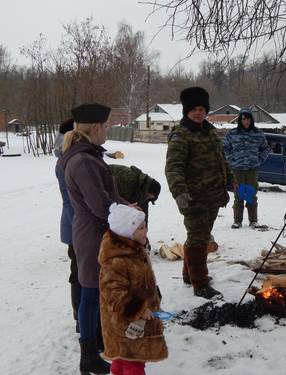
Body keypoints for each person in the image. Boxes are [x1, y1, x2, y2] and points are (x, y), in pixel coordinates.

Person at [61, 103, 128, 374]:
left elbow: (108, 196)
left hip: (95, 232)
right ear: (97, 127)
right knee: (89, 293)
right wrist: (126, 215)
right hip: (92, 236)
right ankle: (88, 356)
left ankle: (96, 345)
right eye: (107, 125)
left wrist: (127, 205)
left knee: (94, 291)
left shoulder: (88, 155)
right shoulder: (83, 160)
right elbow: (100, 205)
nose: (108, 130)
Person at [165, 86, 234, 300]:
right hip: (193, 198)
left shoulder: (209, 131)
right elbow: (173, 167)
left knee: (199, 237)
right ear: (186, 110)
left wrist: (230, 180)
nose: (198, 113)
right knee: (198, 239)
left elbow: (221, 159)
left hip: (213, 196)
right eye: (194, 109)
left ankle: (189, 275)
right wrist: (180, 193)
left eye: (202, 109)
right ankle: (200, 283)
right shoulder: (181, 135)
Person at [99, 203, 168, 375]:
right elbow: (113, 293)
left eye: (145, 227)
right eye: (141, 228)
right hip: (124, 321)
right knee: (134, 363)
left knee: (123, 358)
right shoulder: (116, 261)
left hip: (133, 321)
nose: (146, 231)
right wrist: (139, 308)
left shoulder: (134, 250)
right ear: (127, 232)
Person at [223, 107, 270, 228]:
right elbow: (225, 148)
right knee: (238, 195)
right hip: (237, 169)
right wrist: (231, 160)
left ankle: (253, 220)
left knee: (251, 195)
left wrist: (259, 160)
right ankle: (237, 221)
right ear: (240, 120)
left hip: (252, 169)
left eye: (248, 119)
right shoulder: (232, 134)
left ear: (251, 120)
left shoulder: (258, 134)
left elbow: (266, 149)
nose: (246, 122)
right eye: (243, 119)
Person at [55, 118, 81, 332]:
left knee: (79, 271)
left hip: (74, 225)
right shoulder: (68, 161)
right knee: (79, 273)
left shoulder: (68, 157)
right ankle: (80, 318)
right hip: (76, 226)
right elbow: (72, 202)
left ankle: (80, 317)